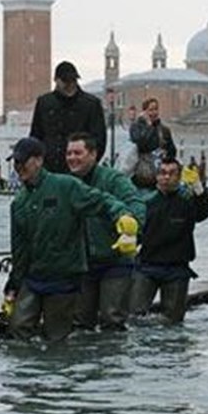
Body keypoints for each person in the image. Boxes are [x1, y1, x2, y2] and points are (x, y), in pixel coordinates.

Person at [2, 136, 138, 342]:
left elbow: (101, 201)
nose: (18, 166)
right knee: (18, 329)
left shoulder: (65, 186)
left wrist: (122, 216)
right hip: (32, 278)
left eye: (23, 161)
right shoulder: (19, 202)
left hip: (63, 278)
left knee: (58, 338)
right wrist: (12, 286)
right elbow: (19, 249)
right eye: (16, 162)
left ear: (38, 160)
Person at [65, 132, 146, 331]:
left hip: (115, 261)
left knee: (112, 319)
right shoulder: (67, 184)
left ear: (93, 155)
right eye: (68, 153)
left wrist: (131, 227)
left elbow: (137, 204)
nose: (72, 158)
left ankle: (112, 360)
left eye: (78, 153)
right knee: (80, 323)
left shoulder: (113, 180)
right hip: (83, 265)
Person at [131, 158, 208, 324]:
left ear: (179, 176)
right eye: (162, 173)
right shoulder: (146, 201)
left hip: (177, 268)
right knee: (133, 316)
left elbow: (204, 212)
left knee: (173, 321)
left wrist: (199, 188)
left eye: (171, 173)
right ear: (156, 176)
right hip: (147, 266)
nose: (166, 177)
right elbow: (135, 231)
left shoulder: (188, 200)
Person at [29, 60, 106, 174]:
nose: (70, 85)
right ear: (56, 80)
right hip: (50, 169)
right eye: (66, 81)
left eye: (73, 81)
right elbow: (36, 135)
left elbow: (99, 139)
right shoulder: (44, 103)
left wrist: (88, 166)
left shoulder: (91, 104)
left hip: (80, 171)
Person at [128, 97, 177, 188]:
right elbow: (142, 144)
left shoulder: (164, 130)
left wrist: (165, 154)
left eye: (156, 109)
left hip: (160, 177)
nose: (154, 113)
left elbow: (172, 151)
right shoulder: (136, 127)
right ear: (144, 112)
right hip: (141, 176)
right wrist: (149, 125)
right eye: (150, 110)